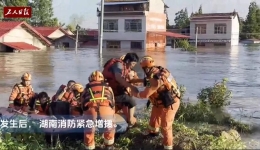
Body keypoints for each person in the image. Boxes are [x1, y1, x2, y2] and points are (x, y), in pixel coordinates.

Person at [131, 56, 181, 150]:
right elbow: (147, 81)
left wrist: (132, 91)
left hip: (170, 103)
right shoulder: (157, 71)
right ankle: (153, 135)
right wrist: (134, 81)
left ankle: (168, 146)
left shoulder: (155, 78)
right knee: (154, 120)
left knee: (166, 126)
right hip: (161, 101)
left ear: (145, 68)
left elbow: (144, 94)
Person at [81, 71, 116, 150]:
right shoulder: (108, 88)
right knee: (110, 126)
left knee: (89, 130)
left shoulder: (86, 89)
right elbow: (113, 104)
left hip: (91, 109)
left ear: (90, 79)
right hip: (105, 109)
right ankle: (109, 146)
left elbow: (82, 104)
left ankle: (90, 147)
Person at [103, 53, 139, 127]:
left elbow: (132, 80)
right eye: (133, 63)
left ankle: (129, 119)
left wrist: (143, 81)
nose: (133, 66)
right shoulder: (119, 65)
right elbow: (118, 78)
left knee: (127, 101)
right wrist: (130, 87)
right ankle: (130, 120)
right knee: (132, 102)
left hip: (116, 91)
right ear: (127, 61)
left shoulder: (127, 69)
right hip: (111, 93)